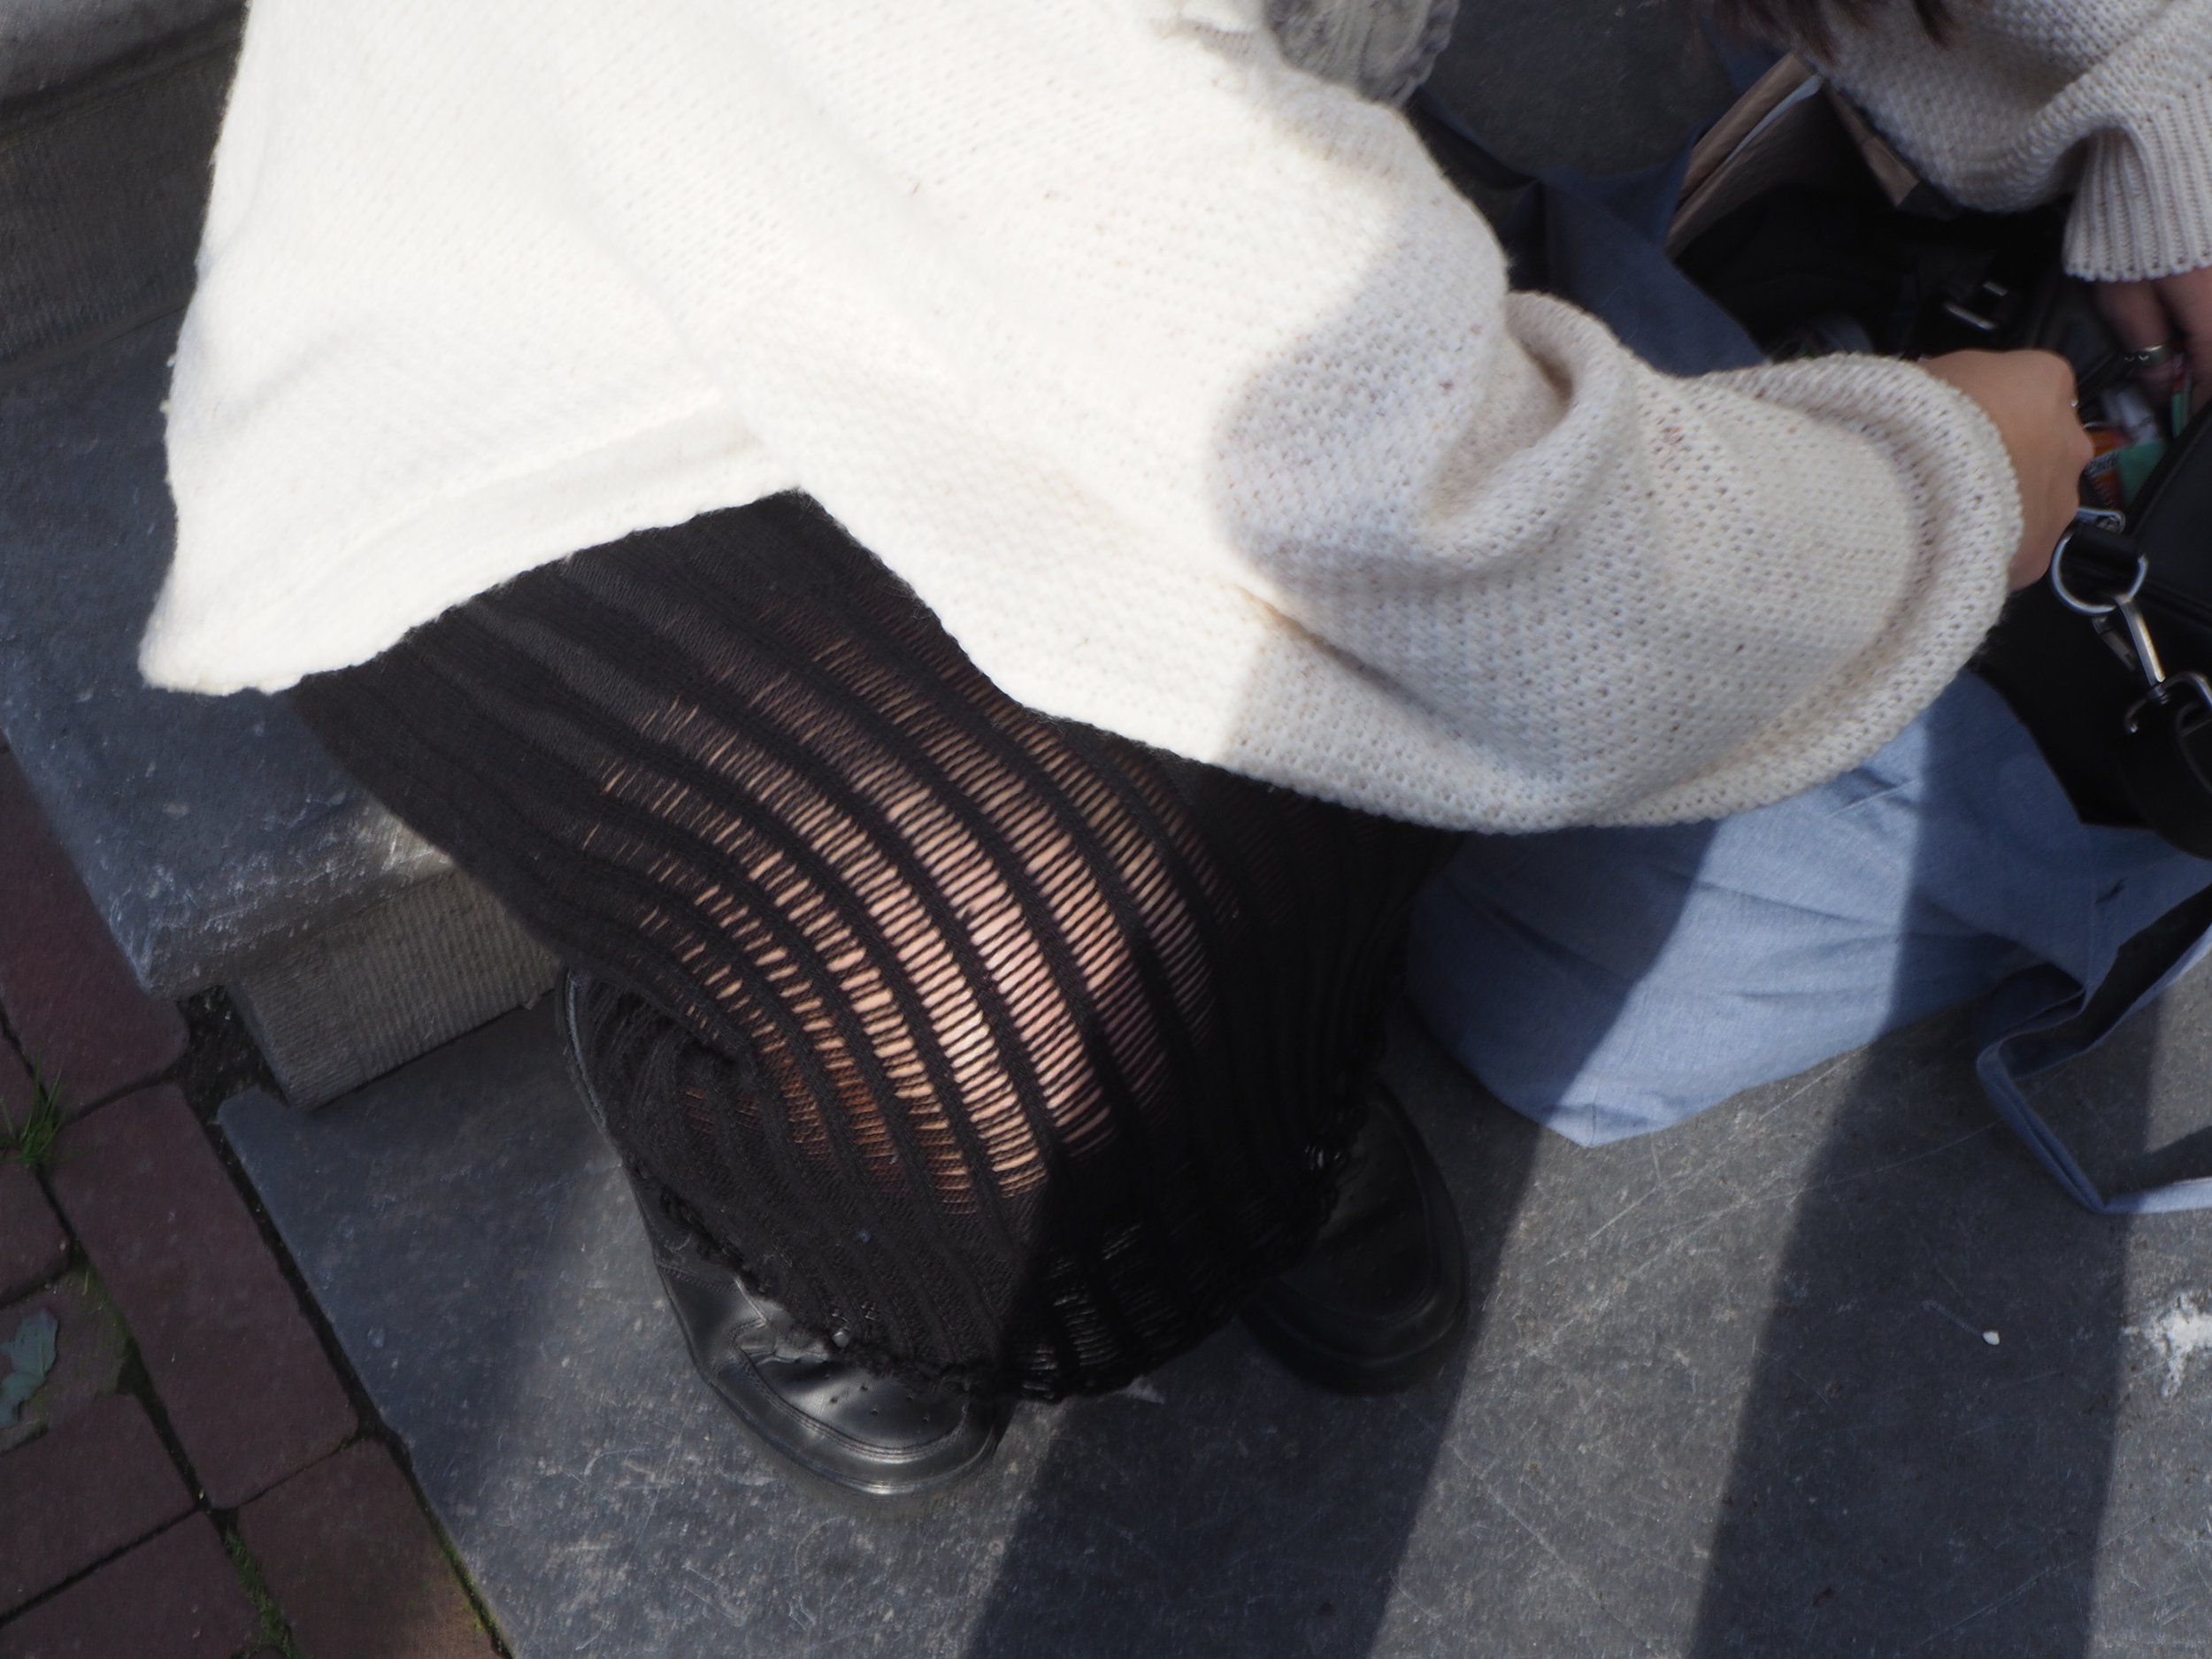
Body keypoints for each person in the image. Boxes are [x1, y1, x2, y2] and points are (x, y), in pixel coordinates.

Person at [139, 0, 2211, 1502]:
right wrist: (1950, 485)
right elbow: (1479, 557)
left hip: (1091, 228)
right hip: (558, 349)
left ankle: (1259, 1057)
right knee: (1049, 1032)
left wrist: (2149, 102)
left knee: (1321, 746)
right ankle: (744, 1094)